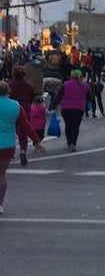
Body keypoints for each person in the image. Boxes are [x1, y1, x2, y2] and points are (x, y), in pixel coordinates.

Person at [0, 80, 46, 214]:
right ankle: (0, 203)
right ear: (8, 91)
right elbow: (26, 126)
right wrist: (37, 141)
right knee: (1, 175)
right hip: (7, 145)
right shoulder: (15, 106)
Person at [57, 68, 92, 152]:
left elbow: (58, 96)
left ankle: (69, 142)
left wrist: (53, 106)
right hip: (79, 109)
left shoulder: (65, 84)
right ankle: (73, 143)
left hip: (66, 108)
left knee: (68, 125)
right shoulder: (84, 86)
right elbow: (90, 96)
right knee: (75, 126)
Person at [8, 66, 35, 165]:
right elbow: (32, 97)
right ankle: (23, 150)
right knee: (23, 131)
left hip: (11, 108)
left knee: (8, 130)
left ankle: (10, 152)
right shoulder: (28, 85)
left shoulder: (10, 85)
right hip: (25, 109)